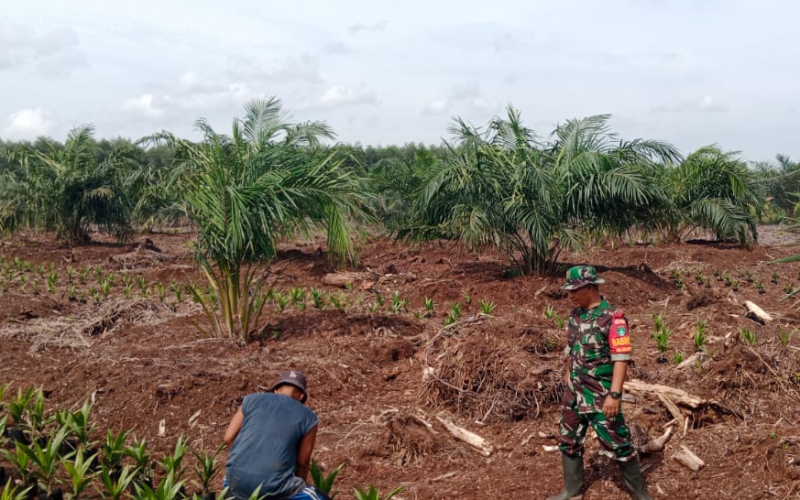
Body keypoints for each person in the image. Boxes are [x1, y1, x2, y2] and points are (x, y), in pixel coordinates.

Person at [547, 266, 652, 500]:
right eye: (569, 290)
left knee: (619, 444)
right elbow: (570, 350)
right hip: (574, 394)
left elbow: (621, 359)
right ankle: (572, 492)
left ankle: (640, 495)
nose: (570, 295)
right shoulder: (575, 315)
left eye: (575, 290)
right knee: (569, 439)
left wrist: (614, 395)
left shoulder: (613, 318)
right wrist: (568, 380)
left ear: (591, 287)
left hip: (600, 396)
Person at [224, 370, 326, 500]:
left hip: (234, 480)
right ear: (301, 397)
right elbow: (302, 463)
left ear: (276, 390)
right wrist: (296, 487)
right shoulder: (309, 418)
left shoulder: (251, 400)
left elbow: (228, 438)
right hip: (272, 485)